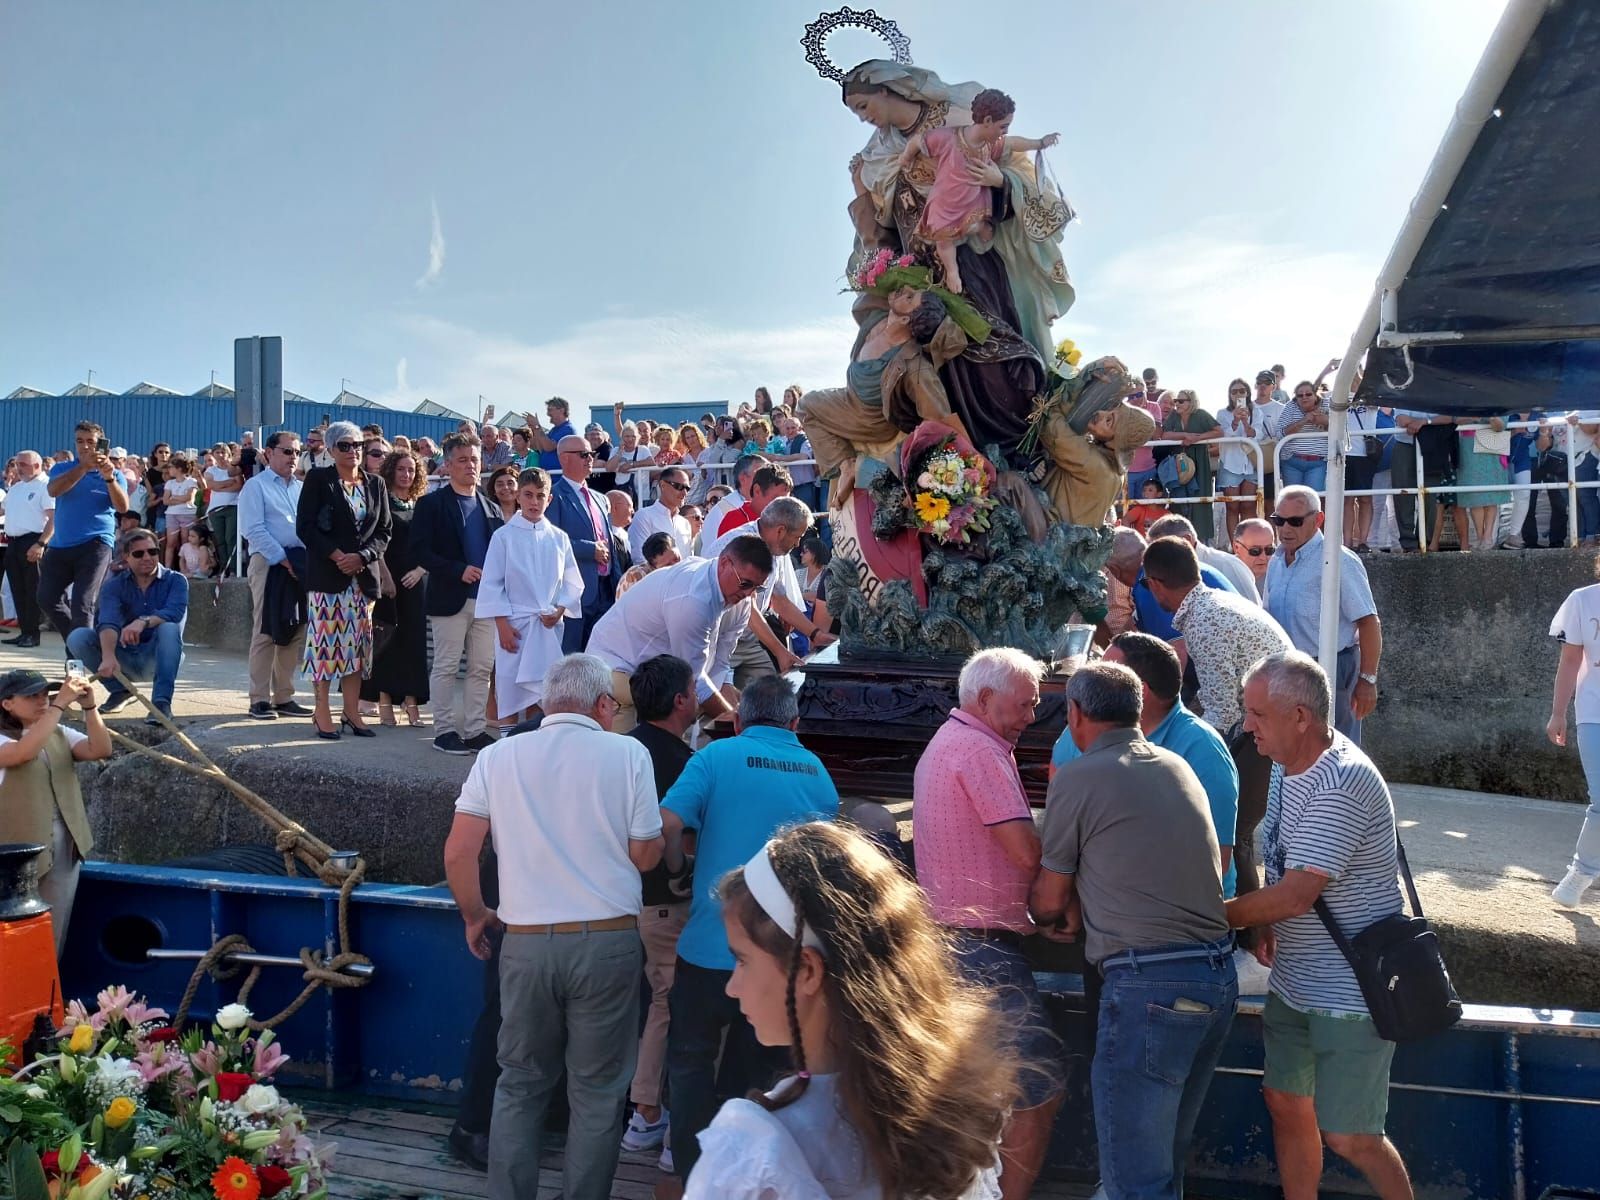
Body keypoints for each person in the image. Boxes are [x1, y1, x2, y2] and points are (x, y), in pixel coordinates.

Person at [686, 822, 1016, 1200]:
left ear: (806, 970)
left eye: (742, 961)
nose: (732, 986)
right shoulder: (953, 1112)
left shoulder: (759, 1151)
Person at [442, 653, 664, 1200]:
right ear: (603, 706)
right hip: (608, 943)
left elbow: (459, 852)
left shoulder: (498, 756)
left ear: (545, 703)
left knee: (518, 1084)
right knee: (597, 1093)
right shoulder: (629, 753)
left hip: (524, 944)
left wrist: (476, 915)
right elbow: (643, 855)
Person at [1031, 661, 1237, 1200]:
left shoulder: (1079, 775)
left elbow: (1050, 897)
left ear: (1075, 715)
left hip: (1148, 987)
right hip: (1216, 978)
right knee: (1163, 1164)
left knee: (1134, 1181)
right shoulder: (1177, 765)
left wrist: (1047, 912)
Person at [1223, 652, 1414, 1200]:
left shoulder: (1343, 781)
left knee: (1352, 1136)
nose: (1246, 724)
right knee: (1285, 1103)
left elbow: (1298, 894)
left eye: (1257, 713)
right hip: (1296, 979)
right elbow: (1281, 862)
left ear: (1300, 715)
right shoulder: (1287, 764)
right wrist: (1261, 923)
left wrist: (1206, 917)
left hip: (1353, 991)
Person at [659, 675, 840, 1183]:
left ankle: (692, 1174)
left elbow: (668, 821)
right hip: (777, 960)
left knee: (690, 1063)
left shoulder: (716, 757)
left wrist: (678, 870)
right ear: (795, 723)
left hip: (706, 947)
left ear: (738, 720)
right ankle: (742, 1174)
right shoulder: (818, 774)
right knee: (760, 1073)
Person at [912, 647, 1062, 1200]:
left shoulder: (952, 742)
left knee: (975, 1093)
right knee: (1037, 1088)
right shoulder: (979, 750)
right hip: (981, 949)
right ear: (984, 699)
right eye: (1024, 706)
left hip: (956, 942)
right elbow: (1026, 852)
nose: (1030, 716)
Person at [617, 654, 699, 1170]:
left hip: (621, 903)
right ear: (678, 701)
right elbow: (679, 835)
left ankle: (644, 1113)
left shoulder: (621, 752)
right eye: (693, 691)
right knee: (671, 1006)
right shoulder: (685, 763)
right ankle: (650, 1114)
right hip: (666, 905)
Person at [587, 537, 773, 731]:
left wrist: (733, 715)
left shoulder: (738, 598)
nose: (748, 594)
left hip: (653, 669)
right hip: (614, 666)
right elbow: (694, 679)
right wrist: (738, 728)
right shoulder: (693, 601)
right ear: (724, 564)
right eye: (745, 583)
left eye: (757, 588)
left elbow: (720, 663)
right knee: (634, 748)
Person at [0, 668, 111, 953]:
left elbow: (99, 749)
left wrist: (90, 707)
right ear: (7, 703)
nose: (42, 701)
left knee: (53, 933)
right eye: (31, 696)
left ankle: (47, 994)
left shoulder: (58, 731)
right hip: (11, 855)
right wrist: (60, 704)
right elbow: (22, 753)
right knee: (12, 936)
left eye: (44, 695)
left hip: (62, 845)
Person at [294, 420, 392, 741]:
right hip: (328, 577)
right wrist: (338, 556)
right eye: (345, 446)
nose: (353, 452)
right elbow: (306, 527)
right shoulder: (319, 479)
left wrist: (361, 557)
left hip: (362, 580)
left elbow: (383, 531)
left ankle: (351, 712)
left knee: (357, 649)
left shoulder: (375, 484)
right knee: (325, 647)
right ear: (332, 450)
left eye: (358, 446)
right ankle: (321, 712)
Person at [1263, 485, 1382, 745]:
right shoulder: (1276, 560)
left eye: (1294, 521)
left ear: (1318, 519)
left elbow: (1368, 621)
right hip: (1288, 669)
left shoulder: (1339, 560)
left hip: (1333, 669)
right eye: (1278, 520)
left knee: (1336, 747)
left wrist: (1368, 679)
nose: (1285, 528)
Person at [410, 432, 503, 755]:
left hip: (486, 601)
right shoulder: (431, 504)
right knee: (447, 666)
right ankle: (444, 730)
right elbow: (419, 551)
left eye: (475, 459)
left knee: (480, 669)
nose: (470, 466)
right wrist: (456, 569)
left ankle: (475, 730)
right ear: (447, 465)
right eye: (462, 460)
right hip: (449, 597)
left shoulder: (491, 508)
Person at [476, 468, 583, 723]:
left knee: (541, 691)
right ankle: (506, 746)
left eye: (540, 496)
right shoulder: (503, 537)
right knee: (510, 688)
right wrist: (501, 624)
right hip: (515, 625)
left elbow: (571, 581)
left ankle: (535, 742)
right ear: (518, 497)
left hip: (547, 626)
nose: (534, 502)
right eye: (528, 495)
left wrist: (559, 609)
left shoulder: (559, 538)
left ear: (549, 499)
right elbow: (492, 582)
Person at [64, 527, 188, 725]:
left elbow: (174, 612)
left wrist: (142, 622)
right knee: (78, 637)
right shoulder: (114, 586)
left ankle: (161, 703)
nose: (147, 557)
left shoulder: (176, 581)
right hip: (124, 656)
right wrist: (108, 656)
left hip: (157, 657)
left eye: (153, 551)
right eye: (139, 553)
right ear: (126, 557)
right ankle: (119, 690)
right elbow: (108, 622)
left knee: (169, 627)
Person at [703, 496, 825, 686]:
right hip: (716, 641)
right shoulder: (742, 545)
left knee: (771, 696)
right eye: (797, 537)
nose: (798, 544)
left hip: (747, 640)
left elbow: (780, 601)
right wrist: (780, 652)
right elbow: (747, 608)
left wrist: (815, 634)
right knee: (714, 706)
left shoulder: (774, 548)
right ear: (781, 531)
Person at [238, 432, 313, 721]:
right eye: (287, 451)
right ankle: (259, 699)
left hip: (299, 563)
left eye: (297, 452)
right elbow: (253, 529)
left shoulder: (300, 488)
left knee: (294, 629)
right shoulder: (255, 487)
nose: (293, 457)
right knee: (266, 630)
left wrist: (302, 562)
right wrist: (283, 559)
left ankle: (284, 696)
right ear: (269, 453)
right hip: (269, 563)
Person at [360, 448, 431, 727]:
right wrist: (385, 577)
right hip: (386, 579)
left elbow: (432, 544)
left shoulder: (422, 505)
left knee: (413, 643)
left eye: (411, 470)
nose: (406, 474)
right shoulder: (381, 500)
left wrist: (420, 570)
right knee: (388, 641)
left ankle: (412, 704)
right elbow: (375, 543)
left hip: (415, 581)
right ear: (391, 470)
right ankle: (385, 700)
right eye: (401, 469)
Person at [39, 420, 129, 639]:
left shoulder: (114, 474)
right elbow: (53, 491)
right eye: (80, 441)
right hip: (61, 544)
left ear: (102, 446)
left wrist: (108, 477)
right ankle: (81, 643)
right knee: (46, 598)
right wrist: (83, 467)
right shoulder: (62, 468)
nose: (85, 446)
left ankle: (77, 661)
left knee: (83, 603)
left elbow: (122, 507)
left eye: (91, 441)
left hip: (95, 544)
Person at [1545, 566, 1600, 908]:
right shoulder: (1583, 601)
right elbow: (1569, 661)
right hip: (1594, 712)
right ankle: (1582, 872)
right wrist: (1558, 712)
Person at [546, 435, 615, 651]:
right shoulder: (553, 496)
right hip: (574, 595)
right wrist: (588, 549)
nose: (590, 459)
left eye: (592, 454)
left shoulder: (600, 498)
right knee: (571, 660)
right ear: (564, 459)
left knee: (599, 660)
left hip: (605, 592)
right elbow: (550, 543)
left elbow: (610, 543)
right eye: (584, 454)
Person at [2, 451, 54, 648]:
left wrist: (41, 544)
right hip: (13, 543)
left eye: (23, 464)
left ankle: (33, 634)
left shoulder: (45, 486)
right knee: (18, 590)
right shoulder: (17, 488)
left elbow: (52, 519)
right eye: (17, 464)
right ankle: (24, 632)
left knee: (32, 590)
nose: (19, 468)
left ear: (37, 466)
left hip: (33, 541)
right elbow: (3, 510)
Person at [1148, 511, 1258, 603]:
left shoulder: (1227, 565)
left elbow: (1252, 609)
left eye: (1162, 549)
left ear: (1186, 540)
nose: (1158, 557)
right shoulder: (1170, 571)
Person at [1160, 388, 1222, 544]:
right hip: (1179, 462)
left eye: (1181, 401)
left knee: (1200, 499)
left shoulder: (1200, 415)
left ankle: (1202, 541)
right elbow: (1164, 434)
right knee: (1179, 499)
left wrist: (1198, 438)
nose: (1177, 404)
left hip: (1199, 460)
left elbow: (1219, 431)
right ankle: (1177, 538)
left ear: (1191, 402)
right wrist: (1184, 436)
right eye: (1176, 401)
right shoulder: (1174, 416)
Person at [1218, 378, 1261, 540]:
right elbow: (1227, 434)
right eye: (1234, 391)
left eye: (1241, 391)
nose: (1238, 394)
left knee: (1249, 506)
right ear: (1229, 395)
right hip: (1231, 464)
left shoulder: (1256, 411)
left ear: (1248, 393)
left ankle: (1250, 544)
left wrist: (1245, 420)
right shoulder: (1222, 413)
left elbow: (1256, 434)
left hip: (1251, 463)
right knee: (1233, 507)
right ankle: (1235, 547)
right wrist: (1235, 420)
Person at [1271, 382, 1330, 492]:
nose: (1304, 397)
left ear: (1316, 395)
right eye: (1300, 395)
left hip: (1318, 462)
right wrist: (1304, 420)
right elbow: (1279, 434)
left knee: (1312, 500)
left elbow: (1340, 429)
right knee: (1293, 500)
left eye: (1308, 394)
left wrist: (1324, 420)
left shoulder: (1327, 404)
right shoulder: (1291, 406)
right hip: (1291, 461)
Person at [629, 464, 694, 563]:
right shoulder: (644, 516)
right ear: (663, 485)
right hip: (655, 577)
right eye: (679, 486)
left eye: (687, 488)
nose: (684, 493)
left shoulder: (685, 523)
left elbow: (689, 559)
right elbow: (640, 559)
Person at [203, 442, 243, 576]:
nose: (221, 455)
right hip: (216, 509)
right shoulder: (210, 470)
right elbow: (211, 486)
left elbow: (238, 486)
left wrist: (221, 486)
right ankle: (223, 567)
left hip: (232, 506)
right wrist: (228, 483)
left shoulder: (234, 469)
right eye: (217, 453)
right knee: (219, 540)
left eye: (223, 452)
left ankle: (233, 568)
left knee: (230, 537)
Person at [161, 453, 199, 569]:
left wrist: (175, 497)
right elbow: (165, 501)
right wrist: (180, 499)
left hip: (187, 514)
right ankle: (168, 568)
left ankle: (186, 568)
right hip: (172, 514)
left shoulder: (191, 481)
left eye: (171, 467)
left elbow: (189, 498)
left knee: (185, 540)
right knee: (171, 542)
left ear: (179, 469)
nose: (169, 470)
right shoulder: (169, 483)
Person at [521, 397, 578, 472]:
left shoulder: (568, 429)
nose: (548, 414)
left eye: (550, 410)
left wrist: (537, 426)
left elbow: (549, 447)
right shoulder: (554, 430)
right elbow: (540, 448)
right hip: (549, 475)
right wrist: (534, 428)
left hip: (558, 475)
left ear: (562, 410)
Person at [1232, 516, 1277, 597]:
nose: (1263, 557)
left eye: (1269, 550)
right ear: (1236, 547)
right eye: (1255, 551)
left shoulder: (1281, 575)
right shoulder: (1225, 575)